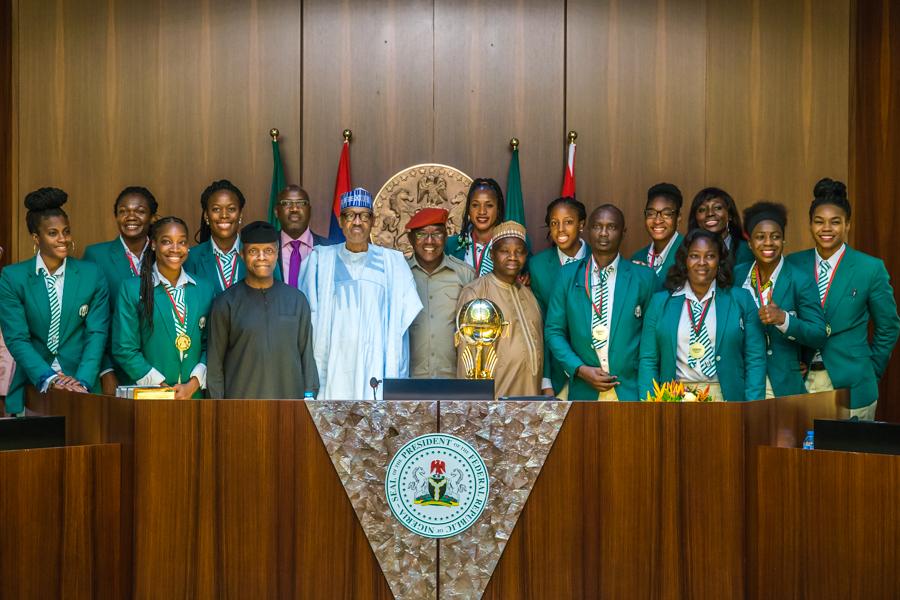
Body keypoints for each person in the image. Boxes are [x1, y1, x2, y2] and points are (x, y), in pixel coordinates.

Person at [787, 178, 900, 419]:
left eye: (835, 222)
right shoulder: (793, 264)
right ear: (810, 225)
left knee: (851, 456)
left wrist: (870, 370)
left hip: (854, 384)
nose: (826, 228)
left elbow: (888, 326)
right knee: (802, 455)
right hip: (800, 383)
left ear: (848, 224)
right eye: (819, 222)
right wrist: (791, 360)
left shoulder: (870, 268)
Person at [299, 188, 422, 400]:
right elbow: (304, 321)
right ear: (340, 221)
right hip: (333, 368)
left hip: (375, 366)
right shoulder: (319, 261)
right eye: (350, 215)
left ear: (373, 221)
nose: (357, 222)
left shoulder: (392, 263)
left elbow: (403, 319)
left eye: (364, 216)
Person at [0, 188, 109, 416]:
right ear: (36, 238)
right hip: (34, 385)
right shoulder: (13, 277)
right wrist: (49, 378)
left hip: (82, 386)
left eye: (66, 231)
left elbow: (97, 333)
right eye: (53, 233)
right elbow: (17, 338)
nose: (63, 239)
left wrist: (82, 382)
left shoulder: (92, 275)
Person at [638, 229, 766, 402]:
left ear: (720, 260)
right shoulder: (660, 303)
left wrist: (753, 406)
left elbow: (755, 358)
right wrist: (650, 405)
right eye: (694, 256)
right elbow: (648, 360)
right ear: (685, 260)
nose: (702, 263)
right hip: (674, 398)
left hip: (726, 398)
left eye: (710, 256)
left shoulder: (741, 299)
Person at [545, 205, 657, 401]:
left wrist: (648, 396)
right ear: (588, 230)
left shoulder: (644, 278)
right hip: (583, 392)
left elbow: (652, 342)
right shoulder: (567, 276)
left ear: (623, 232)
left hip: (630, 392)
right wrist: (579, 369)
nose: (604, 233)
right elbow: (554, 331)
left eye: (611, 227)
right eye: (597, 226)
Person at [207, 221, 318, 399]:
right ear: (242, 255)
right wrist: (218, 409)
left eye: (268, 251)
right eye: (253, 251)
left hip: (289, 406)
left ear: (277, 253)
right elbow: (214, 365)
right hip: (240, 407)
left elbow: (307, 355)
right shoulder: (226, 303)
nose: (261, 257)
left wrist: (309, 395)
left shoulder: (296, 300)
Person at [113, 217, 214, 399]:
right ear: (153, 245)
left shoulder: (204, 289)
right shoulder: (132, 289)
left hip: (195, 396)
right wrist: (162, 388)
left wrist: (193, 385)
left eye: (181, 242)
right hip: (150, 395)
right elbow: (124, 348)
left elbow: (212, 345)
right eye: (166, 242)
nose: (175, 249)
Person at [734, 201, 827, 398]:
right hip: (742, 381)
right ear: (749, 242)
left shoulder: (800, 279)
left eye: (775, 237)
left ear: (783, 240)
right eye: (760, 237)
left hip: (783, 385)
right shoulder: (736, 275)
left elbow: (818, 334)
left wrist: (784, 320)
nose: (768, 243)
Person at [82, 185, 159, 394]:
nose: (130, 217)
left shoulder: (165, 252)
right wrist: (105, 370)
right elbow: (92, 319)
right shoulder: (96, 256)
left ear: (153, 217)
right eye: (123, 211)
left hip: (158, 367)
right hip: (114, 368)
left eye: (140, 211)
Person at [456, 221, 543, 398]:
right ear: (492, 254)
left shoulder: (529, 295)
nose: (513, 257)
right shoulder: (477, 292)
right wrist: (473, 405)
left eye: (519, 251)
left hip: (531, 399)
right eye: (505, 251)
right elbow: (466, 358)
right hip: (493, 404)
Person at [406, 207, 475, 378]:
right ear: (411, 238)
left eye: (437, 234)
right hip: (408, 380)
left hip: (454, 380)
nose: (430, 241)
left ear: (446, 236)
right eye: (422, 234)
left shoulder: (465, 275)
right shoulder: (400, 274)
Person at [530, 196, 588, 395]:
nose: (561, 229)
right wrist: (545, 379)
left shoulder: (599, 258)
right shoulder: (537, 266)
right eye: (554, 223)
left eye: (568, 222)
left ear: (581, 224)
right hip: (556, 373)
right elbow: (542, 324)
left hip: (594, 371)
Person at [185, 179, 246, 294]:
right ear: (206, 216)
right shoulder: (190, 258)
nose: (224, 215)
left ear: (240, 215)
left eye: (231, 209)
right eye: (216, 209)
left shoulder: (258, 254)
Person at [273, 184, 334, 288]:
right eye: (287, 203)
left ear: (310, 211)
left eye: (301, 203)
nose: (294, 208)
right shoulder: (266, 249)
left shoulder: (329, 249)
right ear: (276, 212)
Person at [445, 178, 505, 277]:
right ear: (468, 209)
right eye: (475, 205)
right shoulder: (450, 245)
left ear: (498, 209)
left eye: (489, 205)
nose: (482, 211)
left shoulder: (512, 243)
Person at [631, 183, 684, 285]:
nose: (657, 220)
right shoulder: (637, 258)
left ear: (678, 218)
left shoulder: (689, 253)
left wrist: (648, 277)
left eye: (667, 214)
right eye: (651, 213)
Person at [688, 187, 753, 265]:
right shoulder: (686, 251)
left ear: (730, 215)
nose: (710, 213)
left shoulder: (746, 250)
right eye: (702, 210)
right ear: (695, 217)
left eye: (717, 208)